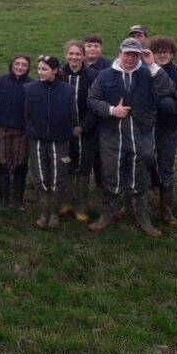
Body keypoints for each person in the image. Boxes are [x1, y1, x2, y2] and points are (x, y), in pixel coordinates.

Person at [87, 38, 177, 237]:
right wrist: (111, 110)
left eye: (135, 54)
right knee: (110, 173)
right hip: (112, 134)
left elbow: (168, 89)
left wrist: (152, 64)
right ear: (120, 52)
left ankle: (143, 219)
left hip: (141, 133)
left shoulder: (149, 73)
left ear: (141, 55)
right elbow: (92, 100)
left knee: (140, 173)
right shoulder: (104, 76)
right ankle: (106, 215)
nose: (130, 58)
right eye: (127, 53)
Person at [24, 55, 79, 228]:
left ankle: (54, 214)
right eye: (39, 69)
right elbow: (26, 115)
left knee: (57, 177)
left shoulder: (68, 91)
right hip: (37, 140)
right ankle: (42, 213)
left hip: (59, 141)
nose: (40, 72)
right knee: (40, 177)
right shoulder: (29, 89)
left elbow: (72, 116)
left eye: (45, 69)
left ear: (55, 71)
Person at [147, 36, 177, 227]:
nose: (162, 55)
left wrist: (159, 101)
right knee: (139, 165)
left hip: (167, 129)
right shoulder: (143, 73)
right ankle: (133, 206)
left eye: (167, 51)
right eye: (158, 51)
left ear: (173, 54)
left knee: (165, 166)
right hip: (144, 129)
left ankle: (167, 211)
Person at [60, 40, 99, 222]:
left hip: (86, 131)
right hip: (63, 130)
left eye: (78, 54)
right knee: (65, 165)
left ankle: (82, 206)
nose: (74, 57)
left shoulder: (93, 76)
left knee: (83, 169)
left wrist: (83, 126)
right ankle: (65, 203)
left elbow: (96, 105)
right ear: (66, 55)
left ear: (84, 56)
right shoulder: (59, 73)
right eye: (71, 54)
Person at [0, 53, 32, 212]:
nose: (20, 67)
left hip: (22, 130)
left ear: (28, 68)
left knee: (21, 165)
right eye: (17, 64)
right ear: (11, 64)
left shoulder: (31, 85)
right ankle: (3, 202)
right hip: (2, 128)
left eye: (24, 65)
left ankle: (19, 202)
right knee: (2, 163)